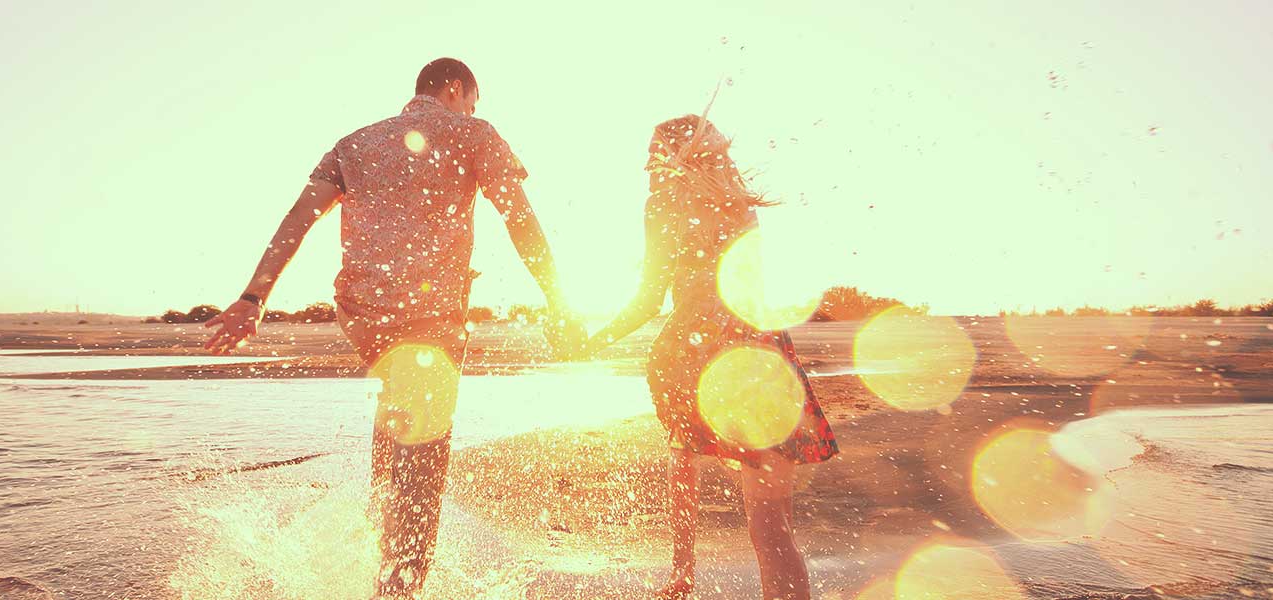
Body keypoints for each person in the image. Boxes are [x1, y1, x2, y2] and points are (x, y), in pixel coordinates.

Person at [203, 57, 584, 598]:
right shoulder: (474, 134)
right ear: (456, 89)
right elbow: (518, 218)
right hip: (429, 316)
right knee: (423, 468)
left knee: (396, 419)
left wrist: (253, 298)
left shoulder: (355, 142)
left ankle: (376, 547)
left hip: (363, 314)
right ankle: (398, 589)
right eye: (472, 102)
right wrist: (558, 299)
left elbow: (299, 218)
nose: (473, 111)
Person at [582, 115, 838, 600]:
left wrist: (593, 341)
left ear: (673, 158)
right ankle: (688, 573)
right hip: (762, 356)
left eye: (654, 154)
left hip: (699, 354)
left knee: (684, 451)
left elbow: (649, 300)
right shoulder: (739, 202)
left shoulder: (663, 204)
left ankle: (682, 571)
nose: (648, 166)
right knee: (773, 526)